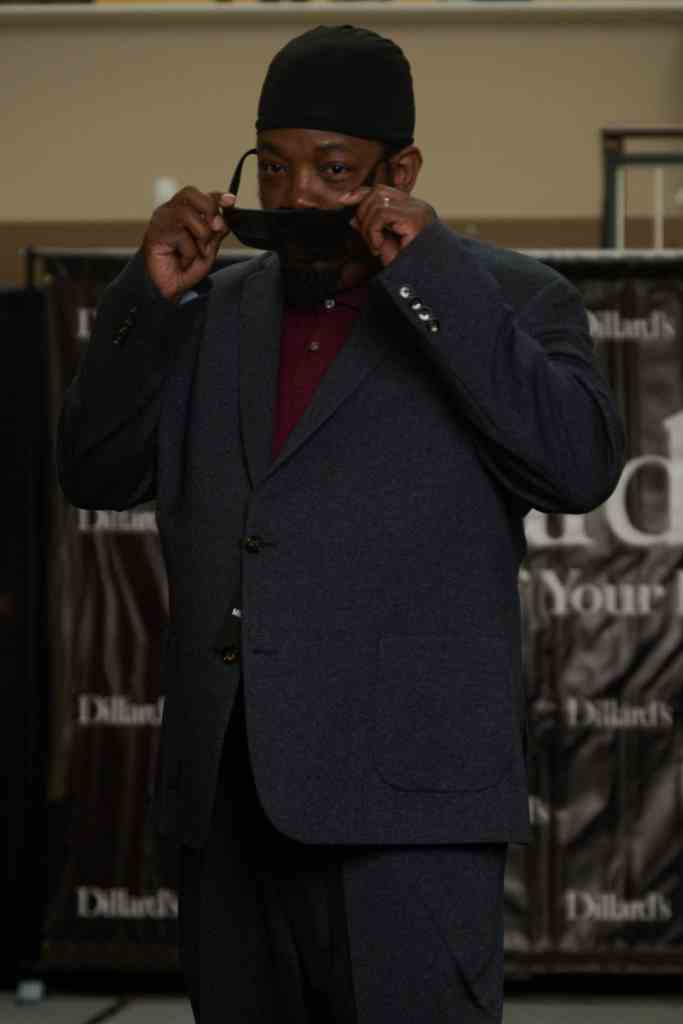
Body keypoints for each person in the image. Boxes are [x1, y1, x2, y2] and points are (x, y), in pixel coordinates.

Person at [57, 24, 625, 1024]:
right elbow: (95, 472)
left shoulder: (510, 298)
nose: (296, 198)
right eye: (273, 167)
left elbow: (575, 467)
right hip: (228, 807)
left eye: (331, 170)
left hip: (409, 816)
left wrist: (430, 274)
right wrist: (142, 300)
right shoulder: (208, 309)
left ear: (398, 173)